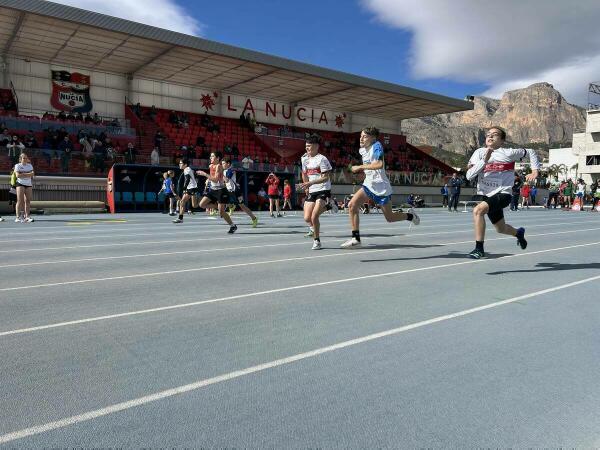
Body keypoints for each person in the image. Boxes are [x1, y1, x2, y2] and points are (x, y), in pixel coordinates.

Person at [465, 127, 540, 259]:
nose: (490, 137)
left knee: (478, 211)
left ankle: (479, 249)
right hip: (485, 195)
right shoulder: (478, 152)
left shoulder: (509, 153)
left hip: (503, 194)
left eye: (495, 135)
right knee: (501, 228)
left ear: (502, 140)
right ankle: (518, 233)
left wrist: (535, 170)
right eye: (488, 135)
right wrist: (484, 160)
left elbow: (531, 151)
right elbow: (469, 176)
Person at [341, 126, 419, 248]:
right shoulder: (362, 150)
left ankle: (410, 216)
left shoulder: (377, 146)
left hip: (381, 187)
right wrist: (359, 175)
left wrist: (360, 167)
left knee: (390, 218)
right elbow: (370, 169)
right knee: (352, 205)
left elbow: (379, 164)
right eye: (360, 136)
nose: (361, 138)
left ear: (373, 138)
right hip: (368, 185)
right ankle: (356, 239)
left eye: (364, 136)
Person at [298, 134, 333, 250]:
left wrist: (310, 183)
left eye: (309, 146)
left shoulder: (322, 159)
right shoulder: (304, 158)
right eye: (306, 146)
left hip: (323, 188)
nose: (307, 148)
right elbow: (304, 173)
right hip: (312, 189)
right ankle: (329, 206)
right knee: (307, 218)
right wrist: (307, 186)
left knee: (314, 217)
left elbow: (325, 177)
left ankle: (317, 241)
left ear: (316, 146)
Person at [195, 151, 237, 233]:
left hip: (221, 191)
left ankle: (233, 226)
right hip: (213, 190)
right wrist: (208, 180)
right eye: (210, 156)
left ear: (217, 158)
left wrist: (204, 174)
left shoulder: (219, 166)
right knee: (201, 204)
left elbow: (216, 179)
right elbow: (212, 178)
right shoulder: (211, 166)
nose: (210, 158)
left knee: (221, 212)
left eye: (212, 156)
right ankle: (216, 206)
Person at [222, 157, 258, 227]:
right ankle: (231, 206)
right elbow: (224, 182)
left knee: (242, 206)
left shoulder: (231, 170)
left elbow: (226, 180)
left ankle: (254, 218)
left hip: (235, 191)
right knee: (221, 200)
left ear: (228, 164)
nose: (222, 165)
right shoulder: (224, 171)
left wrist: (220, 174)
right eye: (222, 163)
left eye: (223, 163)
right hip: (228, 190)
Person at [172, 158, 198, 223]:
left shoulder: (186, 169)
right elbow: (194, 175)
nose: (179, 164)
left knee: (194, 205)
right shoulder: (188, 169)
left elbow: (187, 179)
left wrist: (184, 188)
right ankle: (180, 218)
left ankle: (207, 201)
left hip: (192, 188)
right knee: (182, 202)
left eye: (181, 163)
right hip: (190, 188)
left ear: (185, 164)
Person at [14, 153, 35, 223]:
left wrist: (23, 174)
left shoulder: (30, 165)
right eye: (24, 158)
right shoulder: (17, 165)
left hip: (28, 184)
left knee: (28, 200)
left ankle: (27, 216)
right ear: (20, 159)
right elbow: (17, 175)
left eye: (26, 158)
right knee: (20, 200)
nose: (25, 159)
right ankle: (17, 217)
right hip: (20, 184)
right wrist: (28, 174)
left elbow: (32, 174)